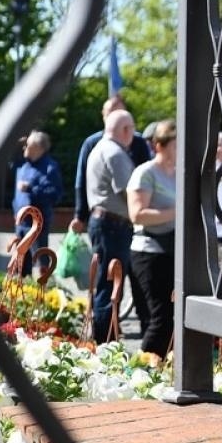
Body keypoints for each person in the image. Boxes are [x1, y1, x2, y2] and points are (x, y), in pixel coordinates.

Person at [85, 109, 138, 343]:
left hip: (105, 223)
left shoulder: (100, 148)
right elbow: (130, 193)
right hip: (113, 225)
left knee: (106, 283)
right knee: (111, 284)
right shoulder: (115, 153)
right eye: (132, 129)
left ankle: (103, 338)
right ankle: (105, 342)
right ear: (125, 130)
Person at [126, 118, 178, 356]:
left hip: (173, 251)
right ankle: (139, 370)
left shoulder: (179, 173)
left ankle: (165, 370)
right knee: (160, 319)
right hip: (149, 253)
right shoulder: (145, 173)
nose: (181, 149)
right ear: (159, 145)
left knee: (173, 317)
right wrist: (178, 211)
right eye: (176, 144)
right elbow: (137, 214)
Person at [71, 93, 151, 235]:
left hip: (129, 217)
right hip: (112, 219)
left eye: (119, 113)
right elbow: (82, 180)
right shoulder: (95, 144)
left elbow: (147, 174)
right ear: (103, 116)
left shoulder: (138, 142)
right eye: (110, 113)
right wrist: (79, 215)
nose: (114, 117)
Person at [13, 130, 62, 264]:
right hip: (21, 223)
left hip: (36, 225)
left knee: (41, 263)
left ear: (38, 148)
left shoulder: (50, 168)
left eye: (28, 145)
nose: (24, 147)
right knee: (21, 264)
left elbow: (54, 195)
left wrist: (31, 188)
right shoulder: (24, 165)